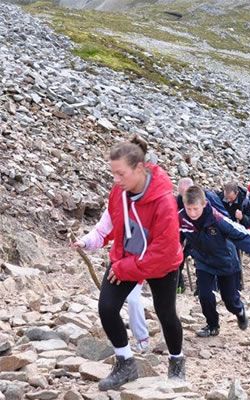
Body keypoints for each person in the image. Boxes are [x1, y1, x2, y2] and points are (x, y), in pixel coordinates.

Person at [92, 137, 184, 391]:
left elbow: (162, 253)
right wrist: (95, 239)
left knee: (166, 314)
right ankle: (126, 362)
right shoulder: (119, 192)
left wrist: (125, 268)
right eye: (113, 174)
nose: (116, 180)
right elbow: (114, 222)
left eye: (120, 174)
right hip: (127, 257)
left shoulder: (163, 202)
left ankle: (176, 361)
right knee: (107, 307)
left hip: (162, 265)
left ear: (140, 169)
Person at [180, 186, 250, 337]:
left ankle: (239, 310)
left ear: (204, 204)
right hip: (203, 262)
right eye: (188, 209)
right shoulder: (182, 219)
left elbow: (244, 236)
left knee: (229, 300)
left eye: (195, 208)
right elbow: (172, 236)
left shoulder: (218, 220)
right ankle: (212, 325)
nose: (192, 213)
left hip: (226, 261)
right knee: (204, 295)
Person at [73, 209, 150, 353]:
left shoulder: (146, 208)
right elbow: (102, 232)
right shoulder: (116, 207)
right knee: (109, 306)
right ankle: (122, 347)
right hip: (119, 263)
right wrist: (84, 242)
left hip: (141, 262)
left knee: (134, 300)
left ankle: (143, 338)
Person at [175, 178, 228, 293]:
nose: (186, 199)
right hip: (188, 231)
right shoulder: (179, 200)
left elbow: (224, 215)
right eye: (182, 195)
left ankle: (209, 288)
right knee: (177, 256)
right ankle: (179, 286)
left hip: (208, 232)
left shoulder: (208, 197)